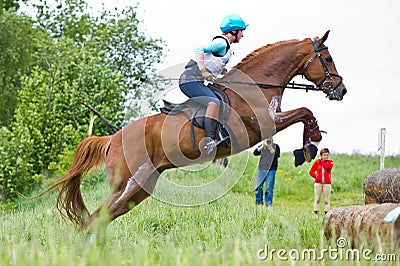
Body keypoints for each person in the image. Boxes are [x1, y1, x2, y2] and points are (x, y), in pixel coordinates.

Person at [179, 14, 248, 154]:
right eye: (242, 31)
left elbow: (214, 63)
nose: (243, 35)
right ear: (234, 31)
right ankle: (209, 141)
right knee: (213, 103)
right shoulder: (222, 43)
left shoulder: (227, 47)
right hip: (189, 80)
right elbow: (199, 49)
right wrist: (203, 71)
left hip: (196, 80)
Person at [253, 138, 280, 207]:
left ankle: (268, 205)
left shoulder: (276, 146)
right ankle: (258, 203)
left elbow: (276, 155)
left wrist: (270, 147)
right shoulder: (262, 147)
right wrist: (262, 146)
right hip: (261, 169)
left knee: (269, 188)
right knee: (258, 187)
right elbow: (255, 153)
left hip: (271, 170)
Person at [309, 148, 334, 216]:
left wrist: (322, 161)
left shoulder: (330, 162)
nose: (326, 156)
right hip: (318, 183)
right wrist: (316, 176)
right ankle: (316, 214)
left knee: (326, 200)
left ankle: (327, 214)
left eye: (327, 155)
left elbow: (326, 167)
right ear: (321, 155)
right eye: (324, 155)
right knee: (317, 199)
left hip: (327, 184)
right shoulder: (317, 162)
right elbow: (311, 171)